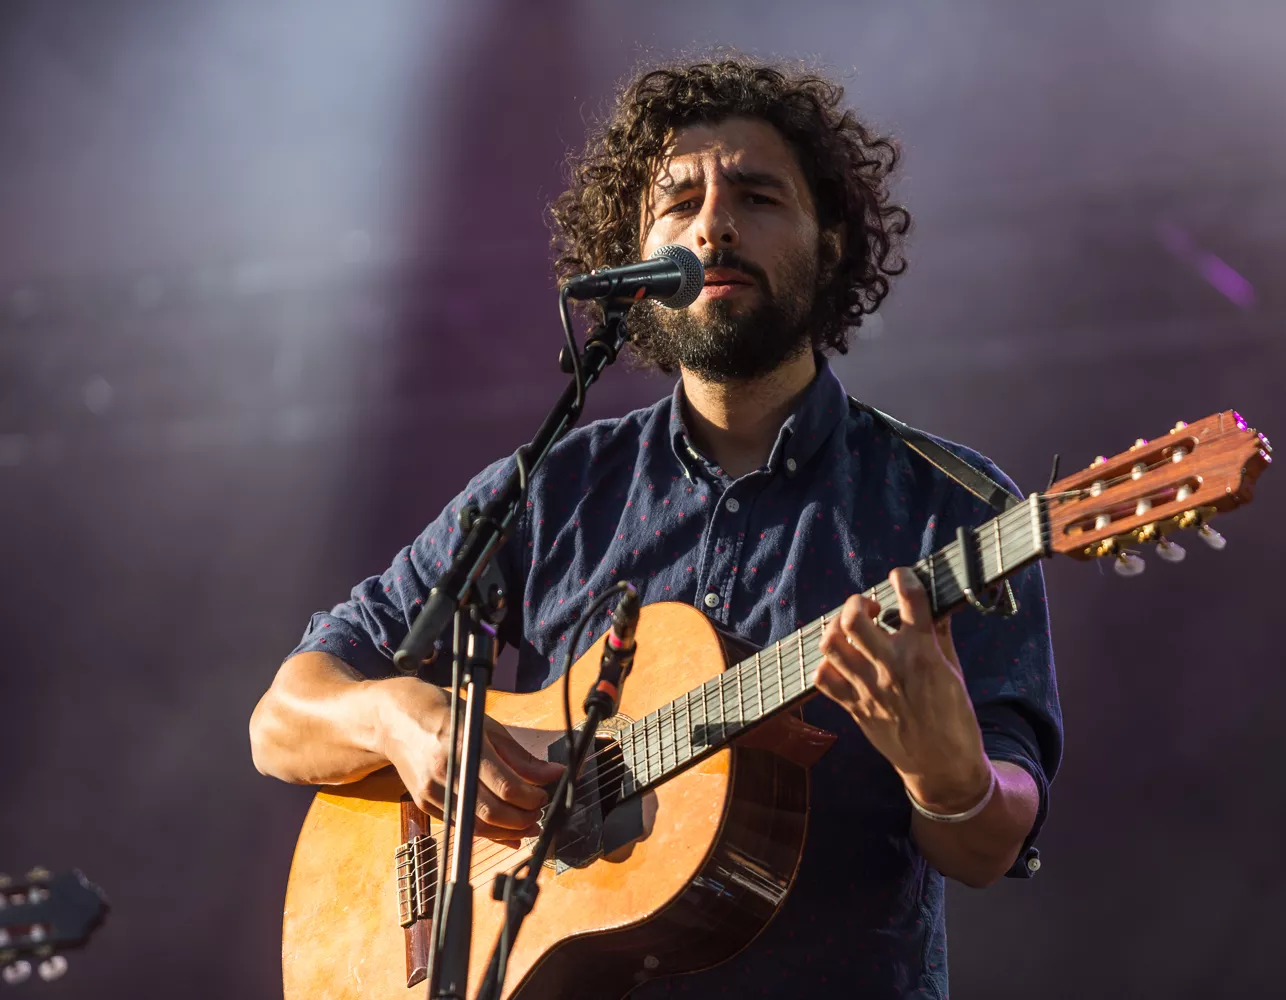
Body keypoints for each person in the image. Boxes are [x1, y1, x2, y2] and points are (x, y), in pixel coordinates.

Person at [249, 56, 1062, 1000]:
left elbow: (990, 843)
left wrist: (951, 778)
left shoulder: (951, 507)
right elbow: (283, 720)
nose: (713, 226)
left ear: (832, 240)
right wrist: (406, 720)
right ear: (636, 257)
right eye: (678, 203)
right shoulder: (550, 489)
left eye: (757, 196)